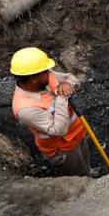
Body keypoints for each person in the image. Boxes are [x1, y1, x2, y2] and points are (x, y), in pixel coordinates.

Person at [10, 47, 91, 176]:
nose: (50, 72)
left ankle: (90, 174)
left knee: (85, 165)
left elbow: (71, 79)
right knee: (79, 177)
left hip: (77, 133)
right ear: (33, 78)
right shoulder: (25, 109)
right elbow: (59, 130)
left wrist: (68, 84)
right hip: (63, 148)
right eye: (45, 71)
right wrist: (62, 97)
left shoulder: (43, 77)